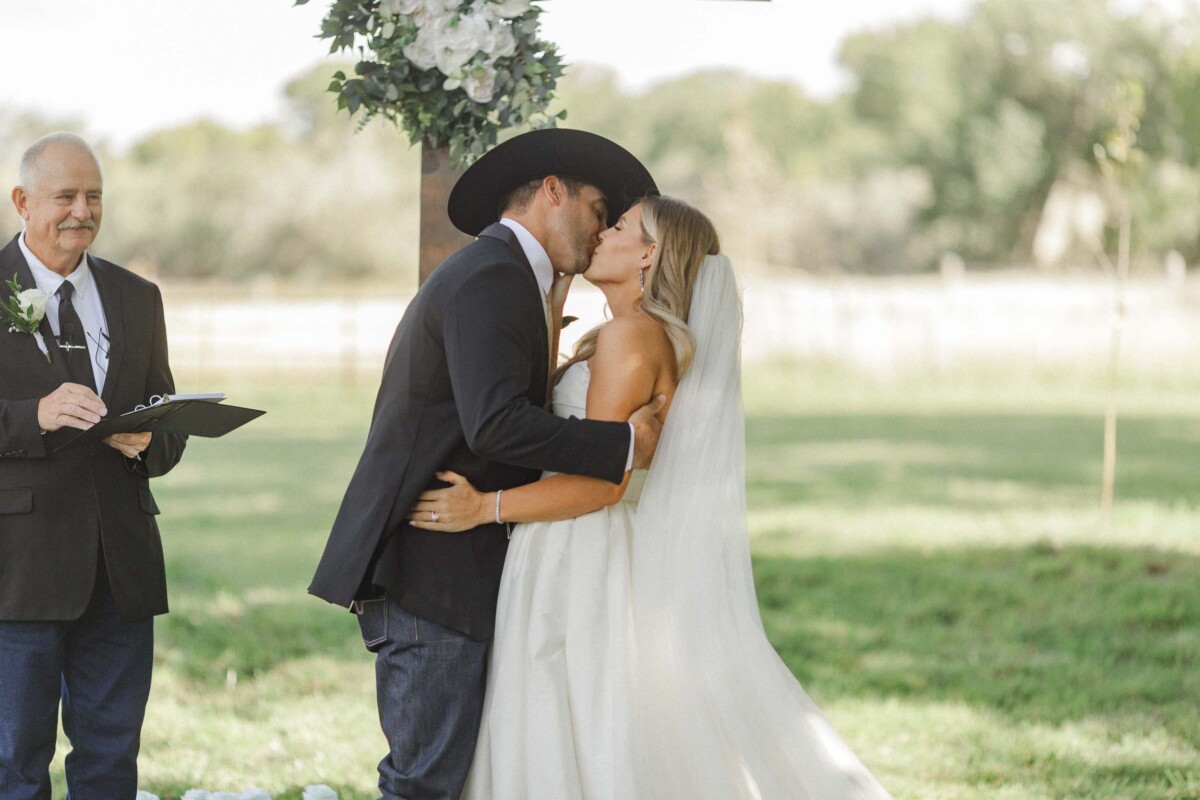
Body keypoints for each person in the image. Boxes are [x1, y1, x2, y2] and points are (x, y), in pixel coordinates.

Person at [408, 195, 894, 799]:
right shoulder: (619, 334)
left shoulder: (632, 337)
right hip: (566, 540)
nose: (601, 234)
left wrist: (484, 508)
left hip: (575, 546)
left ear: (649, 254)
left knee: (566, 713)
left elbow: (600, 483)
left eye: (619, 227)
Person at [308, 128, 664, 800]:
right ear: (551, 192)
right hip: (430, 572)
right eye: (595, 212)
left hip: (449, 570)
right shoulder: (494, 275)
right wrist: (623, 446)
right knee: (425, 784)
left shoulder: (507, 276)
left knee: (440, 778)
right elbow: (495, 423)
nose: (597, 234)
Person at [0, 133, 187, 799]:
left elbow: (166, 425)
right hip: (17, 571)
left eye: (94, 196)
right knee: (14, 764)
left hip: (121, 566)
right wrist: (34, 416)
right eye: (65, 196)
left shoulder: (138, 297)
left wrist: (151, 443)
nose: (83, 210)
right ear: (22, 202)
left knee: (111, 760)